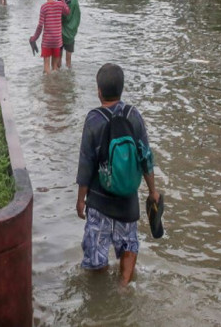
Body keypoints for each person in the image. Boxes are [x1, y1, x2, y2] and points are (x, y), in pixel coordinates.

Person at [76, 63, 160, 286]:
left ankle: (101, 295)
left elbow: (86, 163)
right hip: (127, 203)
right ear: (121, 89)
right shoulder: (134, 115)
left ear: (99, 91)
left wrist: (80, 200)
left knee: (96, 258)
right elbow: (146, 157)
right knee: (128, 247)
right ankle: (123, 288)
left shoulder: (93, 119)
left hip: (99, 203)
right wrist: (153, 192)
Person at [29, 0, 70, 74]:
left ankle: (47, 86)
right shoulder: (59, 5)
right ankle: (54, 86)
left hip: (47, 41)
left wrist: (34, 38)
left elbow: (40, 25)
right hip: (57, 41)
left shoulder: (44, 7)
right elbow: (67, 12)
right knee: (55, 68)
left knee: (46, 67)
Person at [57, 0, 81, 69]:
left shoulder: (59, 0)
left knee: (58, 60)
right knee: (68, 61)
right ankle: (69, 80)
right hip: (70, 33)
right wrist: (73, 29)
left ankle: (57, 79)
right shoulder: (74, 0)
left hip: (59, 33)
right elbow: (78, 17)